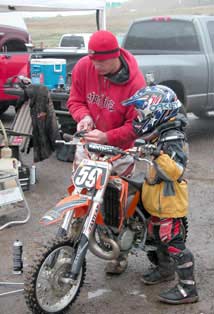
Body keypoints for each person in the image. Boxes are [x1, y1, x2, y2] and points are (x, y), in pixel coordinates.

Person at [67, 29, 146, 274]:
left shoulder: (134, 82)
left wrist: (108, 136)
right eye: (93, 60)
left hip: (119, 148)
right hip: (89, 143)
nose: (96, 66)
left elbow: (137, 125)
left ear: (116, 56)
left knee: (113, 202)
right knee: (81, 192)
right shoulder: (84, 66)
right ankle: (70, 241)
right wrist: (84, 117)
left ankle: (119, 253)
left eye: (101, 62)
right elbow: (75, 100)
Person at [122, 85, 199, 304]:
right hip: (156, 199)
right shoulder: (160, 133)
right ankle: (165, 269)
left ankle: (188, 289)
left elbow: (175, 170)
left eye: (141, 111)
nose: (138, 116)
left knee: (173, 242)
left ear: (156, 111)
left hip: (169, 200)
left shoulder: (173, 136)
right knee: (155, 237)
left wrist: (155, 153)